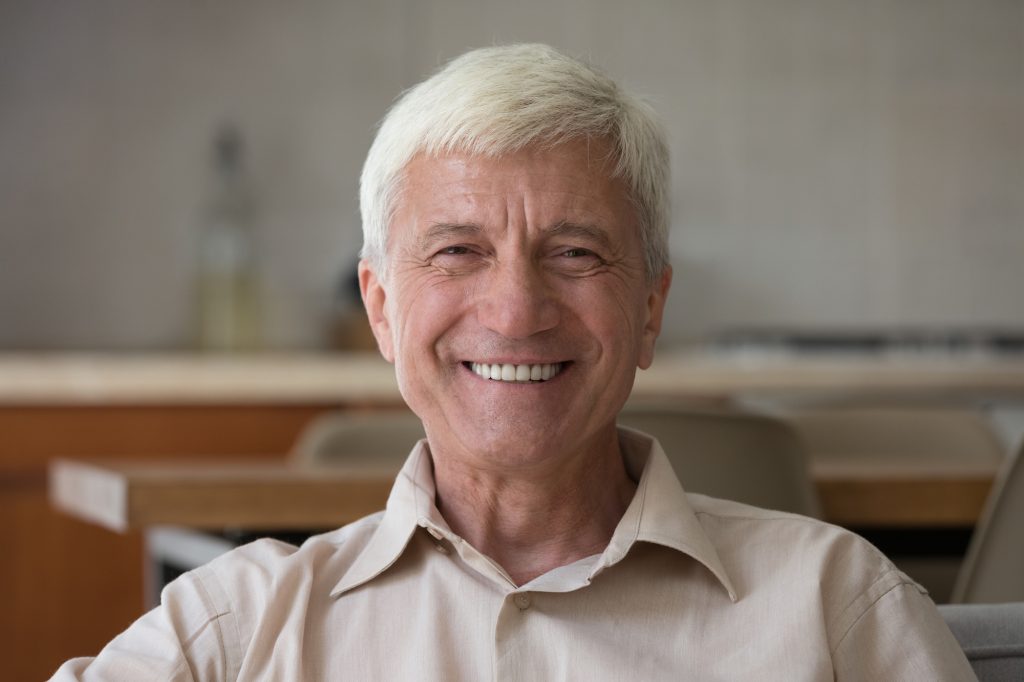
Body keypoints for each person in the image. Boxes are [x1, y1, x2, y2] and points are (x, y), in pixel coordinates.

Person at [52, 43, 975, 680]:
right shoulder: (236, 632)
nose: (515, 311)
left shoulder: (837, 610)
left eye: (575, 253)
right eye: (457, 251)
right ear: (381, 308)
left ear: (650, 308)